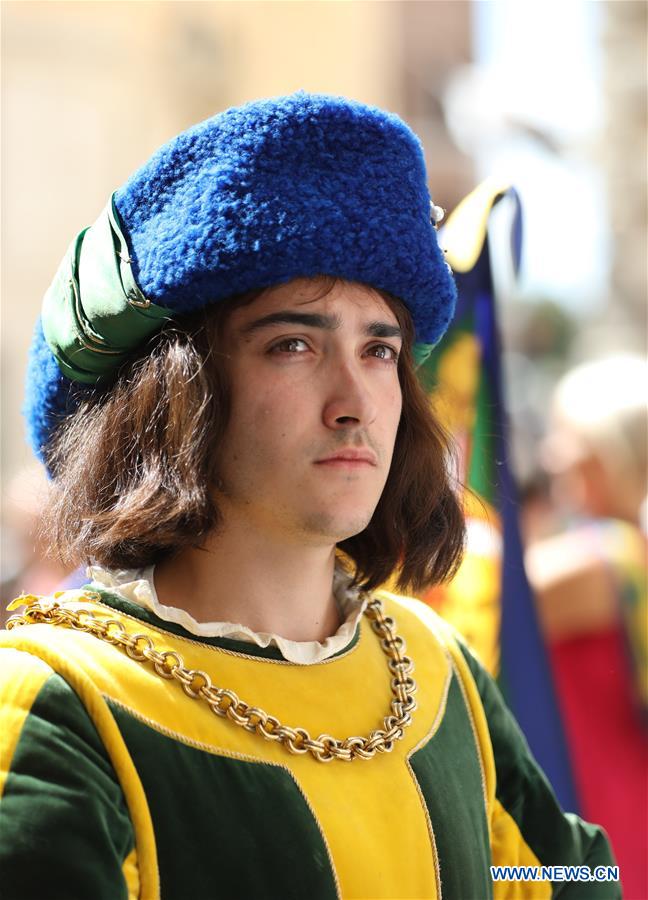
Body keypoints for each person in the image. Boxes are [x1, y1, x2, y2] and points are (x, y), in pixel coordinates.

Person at [0, 93, 618, 899]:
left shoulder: (436, 669)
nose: (355, 399)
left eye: (379, 349)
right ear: (176, 395)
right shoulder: (55, 704)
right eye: (293, 345)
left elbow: (559, 873)